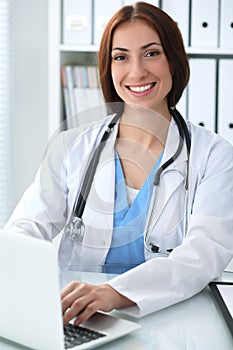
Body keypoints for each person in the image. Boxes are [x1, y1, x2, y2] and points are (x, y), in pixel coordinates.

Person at [4, 2, 233, 327]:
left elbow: (204, 254)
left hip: (174, 320)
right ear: (108, 68)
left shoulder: (214, 156)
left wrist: (114, 292)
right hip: (80, 319)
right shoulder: (72, 147)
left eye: (151, 53)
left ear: (174, 60)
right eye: (121, 57)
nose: (137, 71)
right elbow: (24, 231)